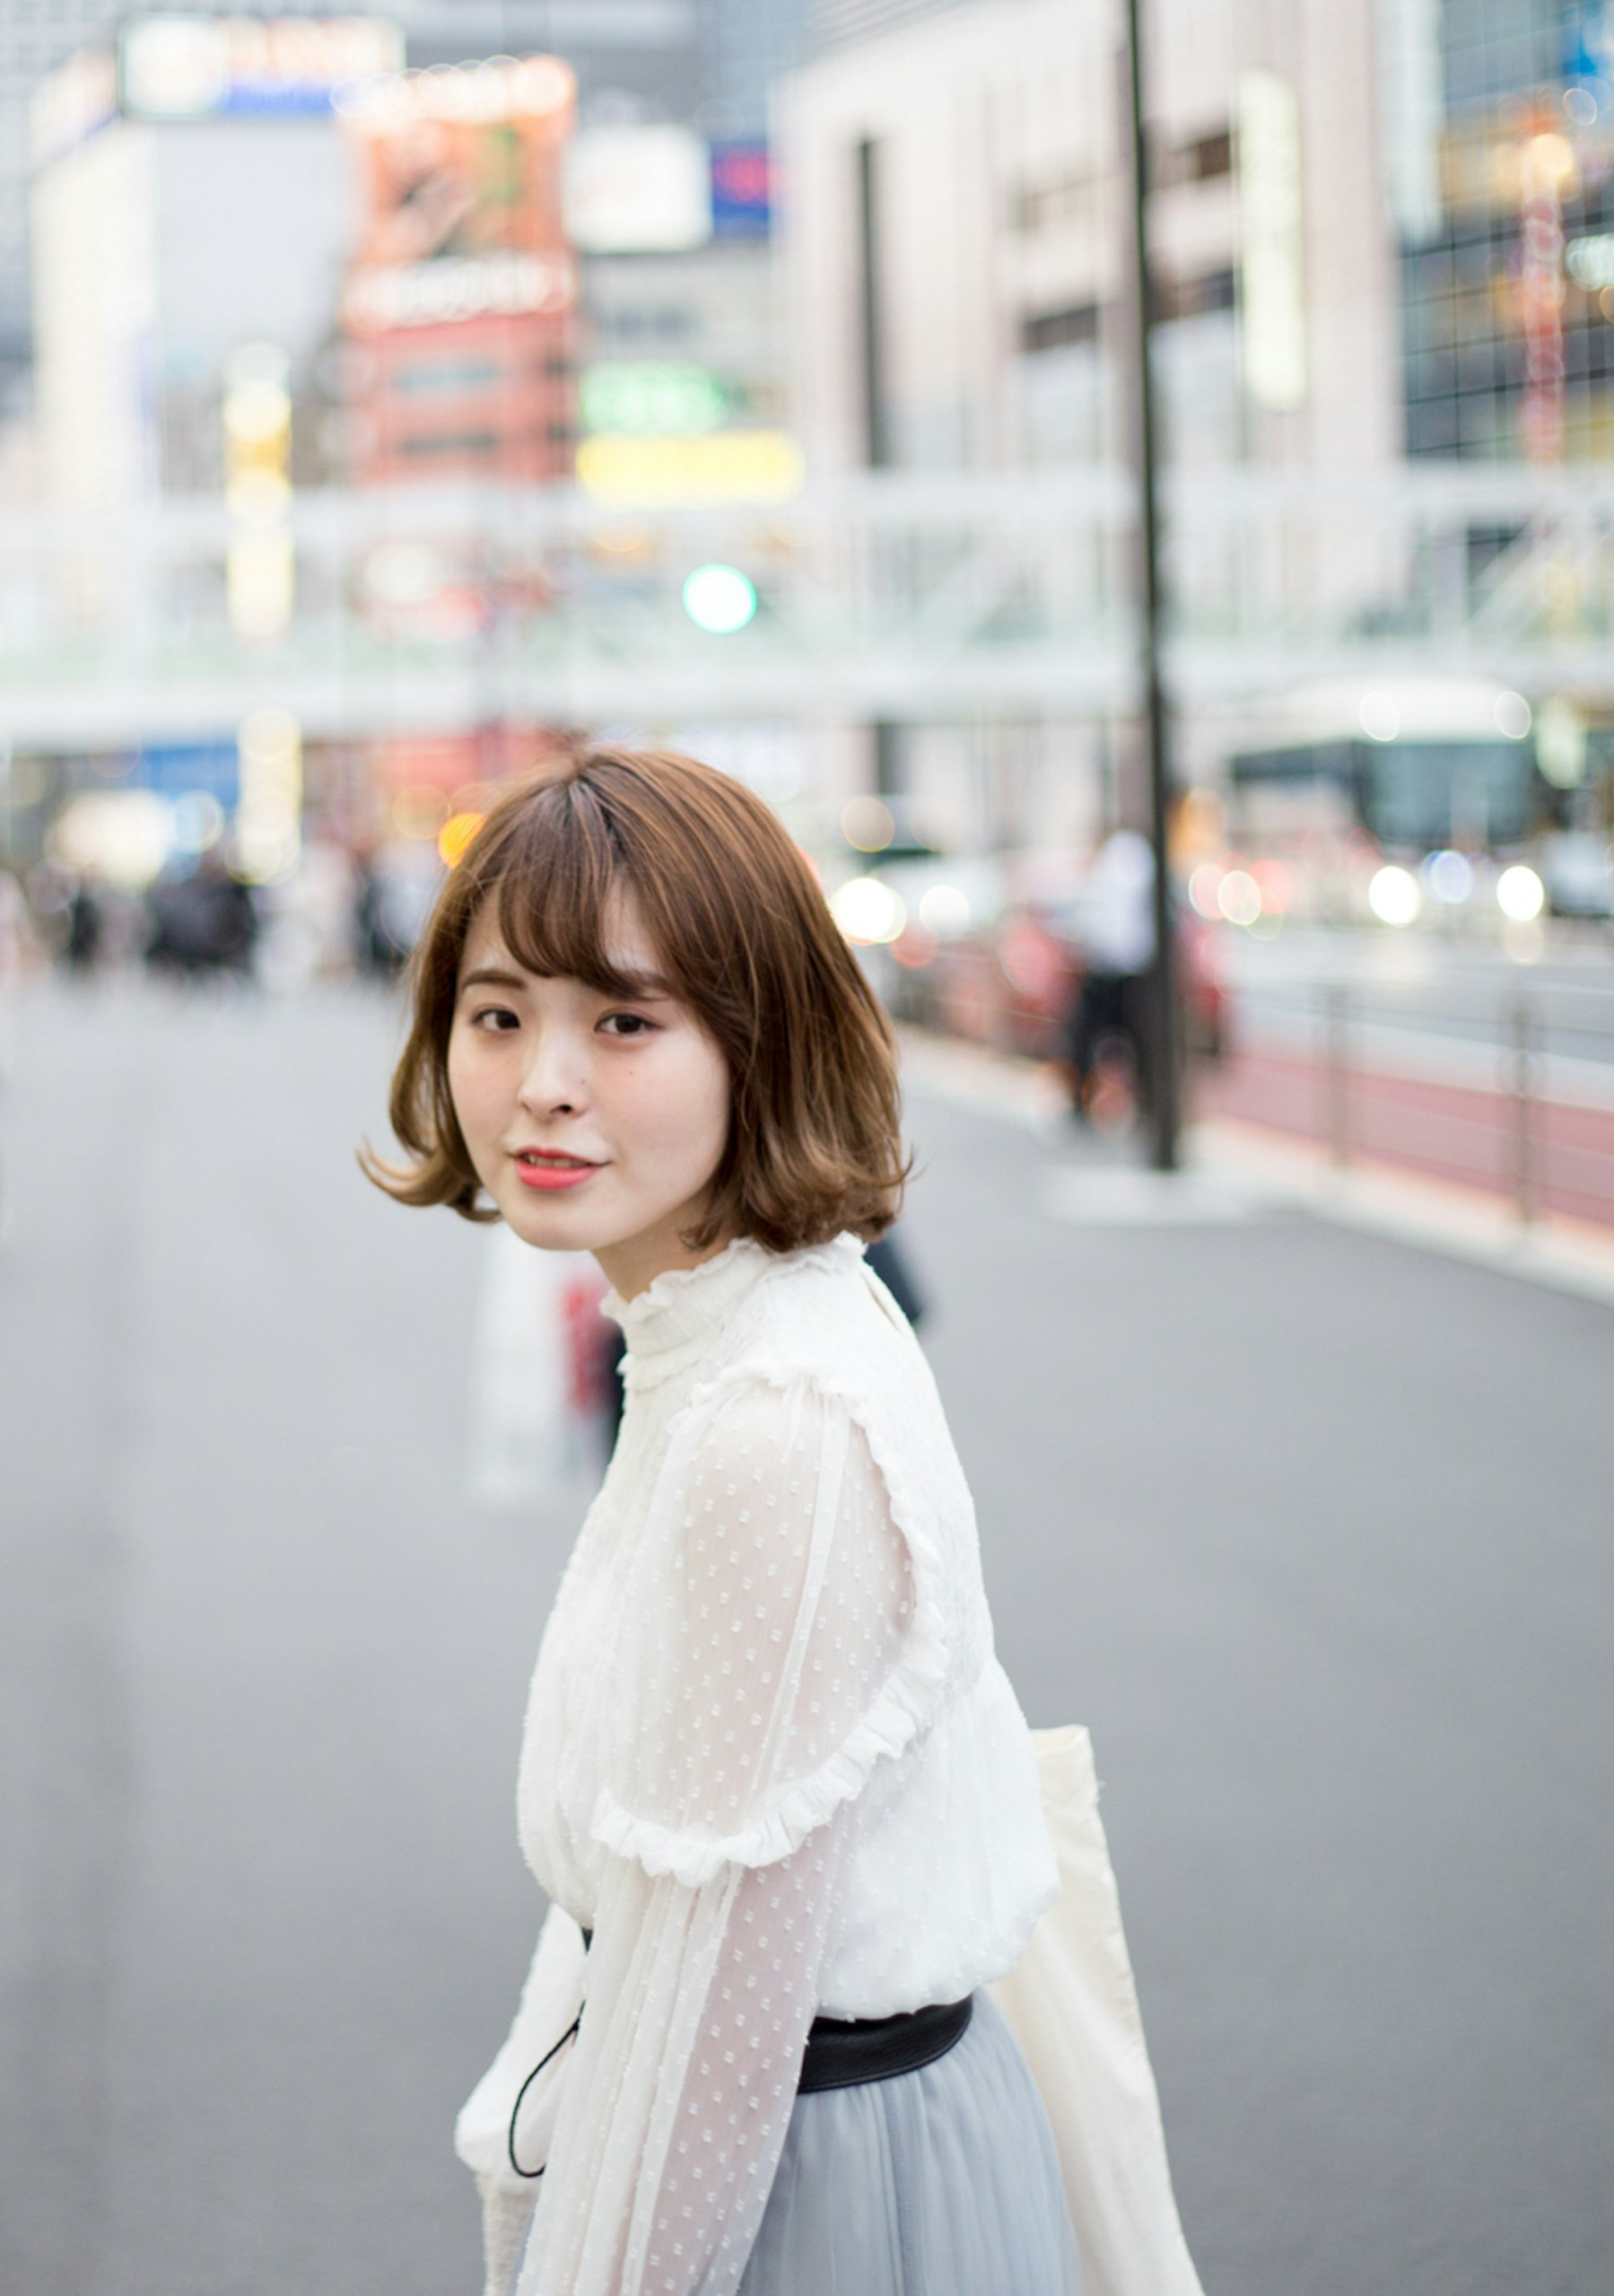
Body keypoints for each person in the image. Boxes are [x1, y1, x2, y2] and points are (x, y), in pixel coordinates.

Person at [376, 749, 1198, 2296]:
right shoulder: (753, 1322)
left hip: (810, 2195)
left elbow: (711, 2045)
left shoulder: (773, 1427)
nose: (544, 1076)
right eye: (500, 1013)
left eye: (624, 1019)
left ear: (762, 1038)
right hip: (847, 2148)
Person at [1063, 825, 1159, 1128]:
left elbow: (1097, 922)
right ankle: (1150, 1107)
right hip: (1133, 967)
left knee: (1086, 1036)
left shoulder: (1114, 863)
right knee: (1141, 1041)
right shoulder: (1135, 859)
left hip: (1111, 967)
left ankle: (1081, 1105)